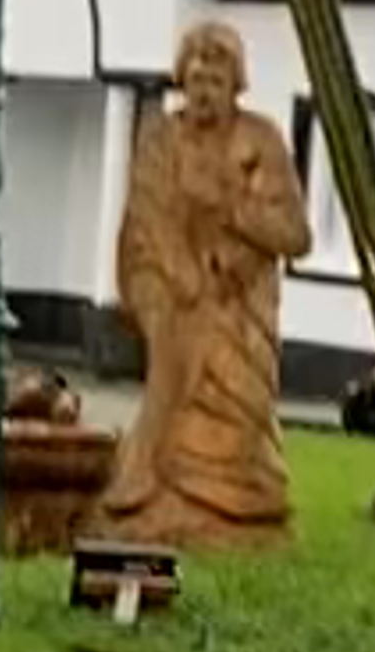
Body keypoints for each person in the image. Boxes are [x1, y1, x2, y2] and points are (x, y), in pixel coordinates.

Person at [97, 27, 309, 550]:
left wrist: (232, 210)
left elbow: (295, 234)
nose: (204, 91)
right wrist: (186, 276)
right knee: (178, 337)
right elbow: (146, 221)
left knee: (237, 386)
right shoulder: (160, 140)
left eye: (217, 79)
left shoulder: (260, 142)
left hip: (240, 293)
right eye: (195, 78)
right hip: (165, 283)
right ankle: (147, 478)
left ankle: (238, 499)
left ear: (236, 85)